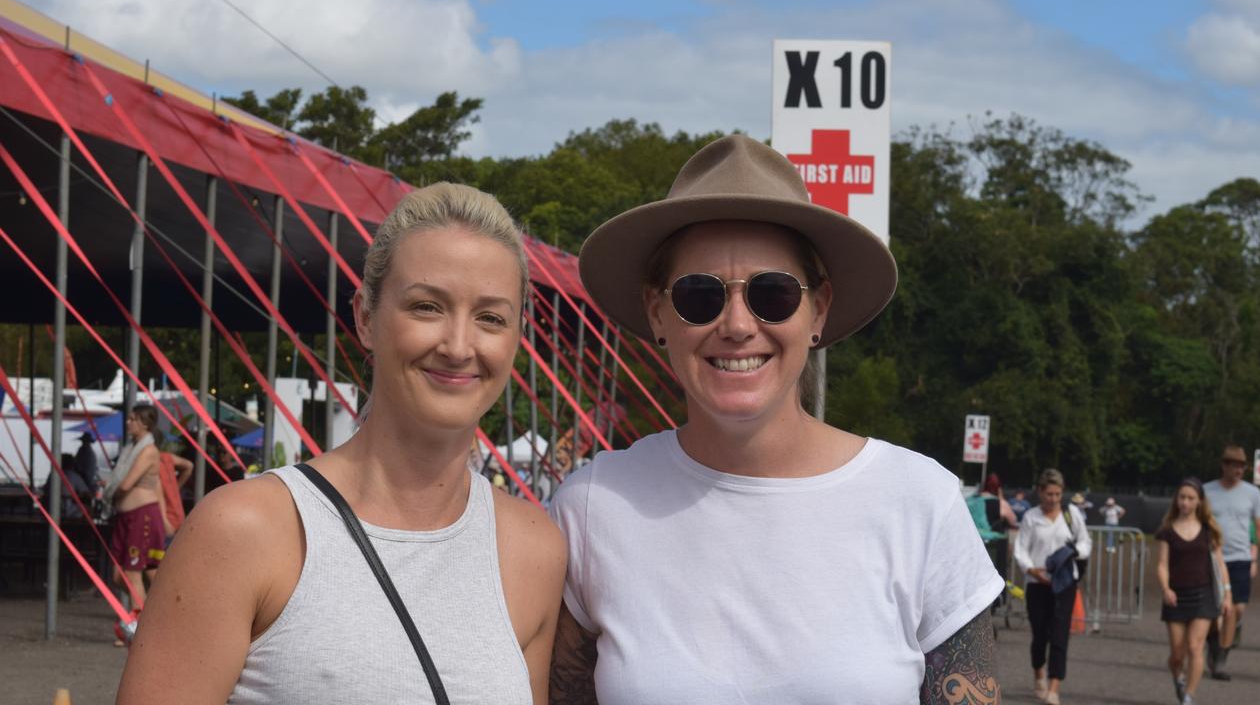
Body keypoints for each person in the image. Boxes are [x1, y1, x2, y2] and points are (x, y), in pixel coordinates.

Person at [549, 135, 1003, 704]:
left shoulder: (919, 501)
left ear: (820, 309)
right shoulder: (593, 505)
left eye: (773, 293)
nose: (738, 324)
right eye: (699, 296)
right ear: (658, 312)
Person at [118, 183, 567, 703]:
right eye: (427, 306)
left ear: (516, 338)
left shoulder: (533, 549)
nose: (459, 345)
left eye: (491, 317)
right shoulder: (246, 530)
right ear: (365, 318)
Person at [1014, 468, 1092, 705]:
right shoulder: (1031, 517)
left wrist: (1074, 553)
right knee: (1040, 635)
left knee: (1060, 635)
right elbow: (1020, 549)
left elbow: (1085, 541)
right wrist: (1031, 570)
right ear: (1040, 492)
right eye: (1049, 494)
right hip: (1037, 584)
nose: (1054, 499)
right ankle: (1039, 673)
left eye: (1057, 494)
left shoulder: (1071, 514)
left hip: (1064, 582)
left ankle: (1054, 687)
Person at [1156, 478, 1230, 705]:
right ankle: (1178, 677)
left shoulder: (1208, 529)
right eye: (1182, 497)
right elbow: (1162, 564)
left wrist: (1227, 594)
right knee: (1177, 654)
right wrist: (1165, 588)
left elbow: (1219, 564)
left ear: (1199, 501)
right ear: (1176, 499)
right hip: (1176, 597)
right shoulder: (1167, 531)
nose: (1185, 502)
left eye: (1190, 498)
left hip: (1204, 595)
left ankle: (1189, 696)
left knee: (1195, 646)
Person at [1203, 444, 1260, 680]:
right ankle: (1216, 649)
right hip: (1212, 559)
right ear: (1224, 466)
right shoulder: (1207, 491)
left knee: (1237, 609)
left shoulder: (1253, 493)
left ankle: (1221, 658)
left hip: (1241, 558)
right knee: (1214, 612)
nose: (1240, 470)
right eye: (1235, 465)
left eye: (1243, 466)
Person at [102, 405, 165, 609]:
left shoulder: (148, 451)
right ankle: (150, 611)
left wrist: (110, 492)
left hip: (142, 515)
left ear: (144, 423)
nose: (128, 422)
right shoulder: (130, 448)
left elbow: (126, 484)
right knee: (119, 575)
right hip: (126, 516)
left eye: (132, 419)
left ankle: (138, 626)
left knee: (132, 573)